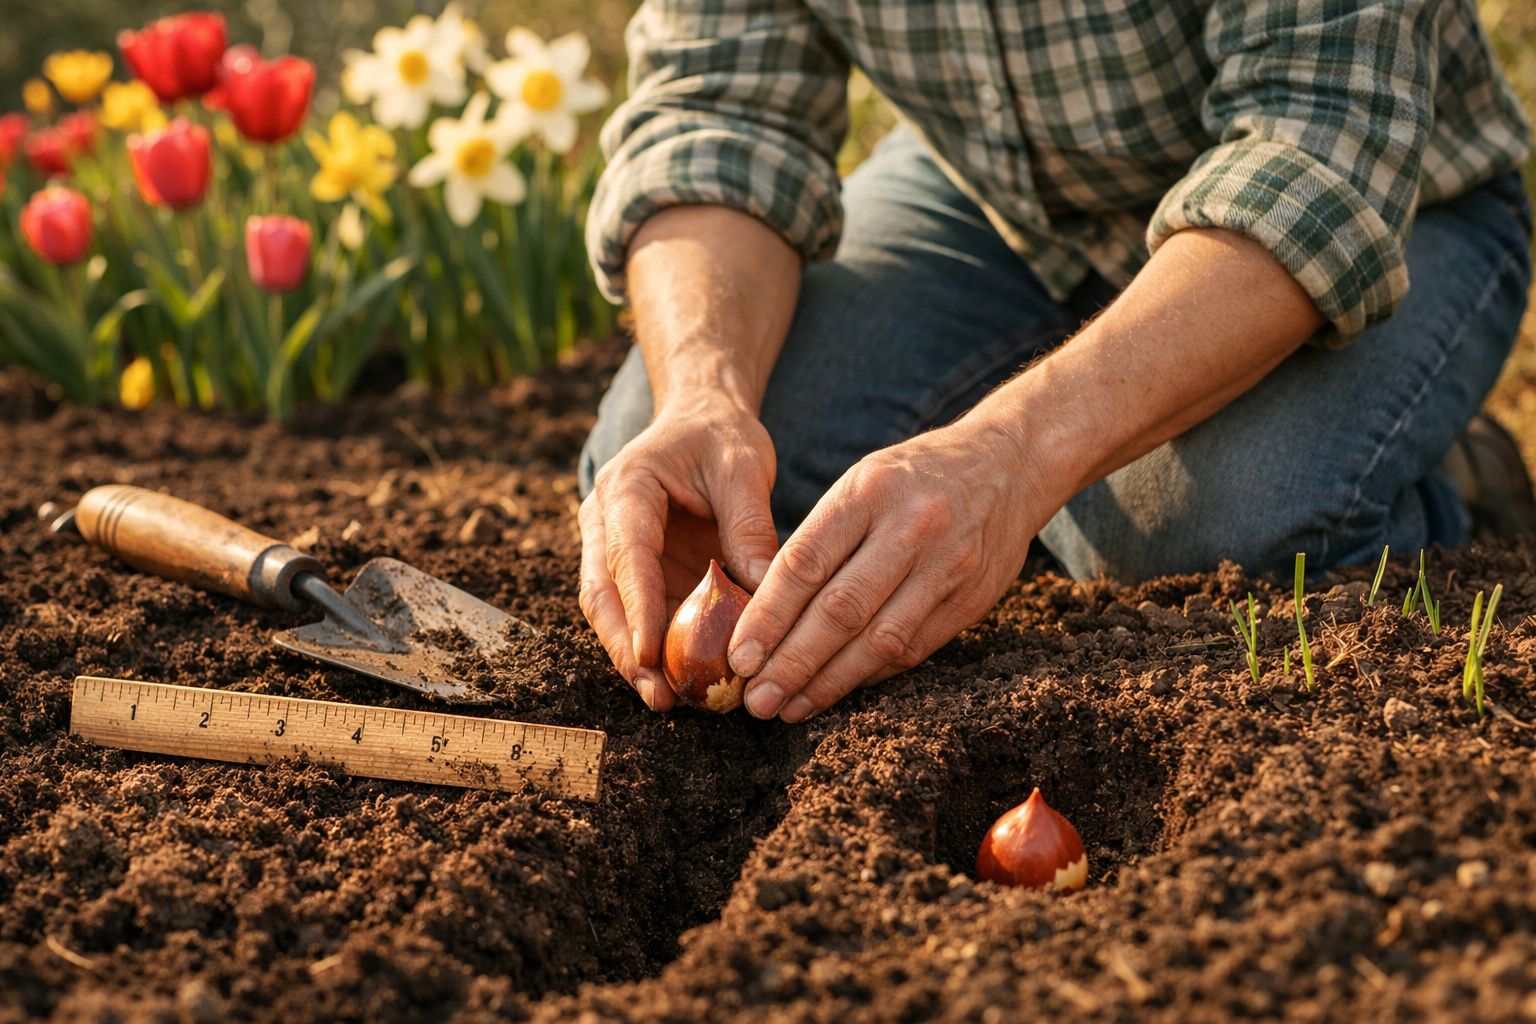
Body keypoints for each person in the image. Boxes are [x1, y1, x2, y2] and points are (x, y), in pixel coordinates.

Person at [576, 0, 1534, 723]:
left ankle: (1447, 474)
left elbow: (1317, 145)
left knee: (1183, 543)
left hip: (1384, 203)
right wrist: (705, 391)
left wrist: (1016, 452)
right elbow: (716, 115)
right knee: (673, 472)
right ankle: (1004, 503)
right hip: (1004, 210)